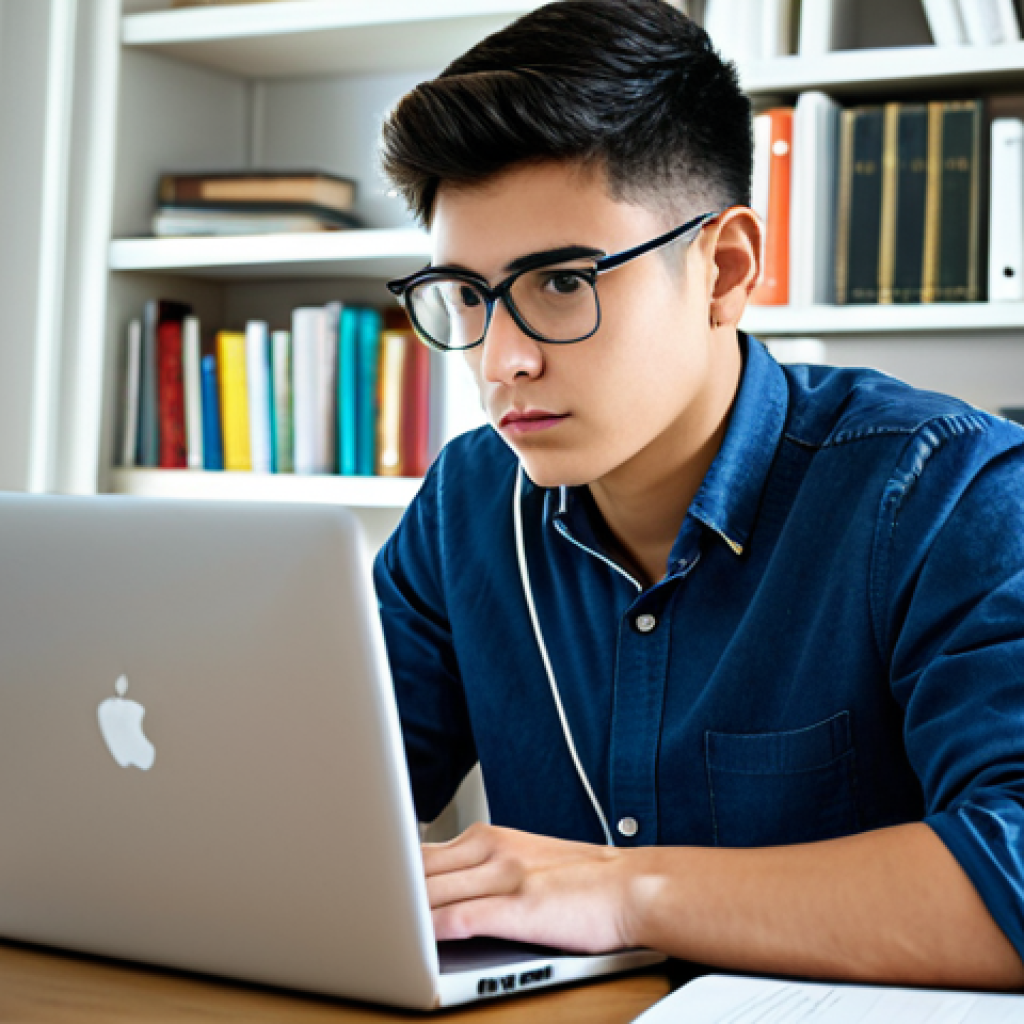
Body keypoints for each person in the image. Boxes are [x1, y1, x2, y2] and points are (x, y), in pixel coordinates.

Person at [373, 0, 1024, 990]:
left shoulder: (944, 493)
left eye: (558, 283)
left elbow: (1013, 874)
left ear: (724, 270)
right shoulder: (469, 505)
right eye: (465, 294)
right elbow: (317, 818)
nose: (501, 360)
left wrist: (626, 892)